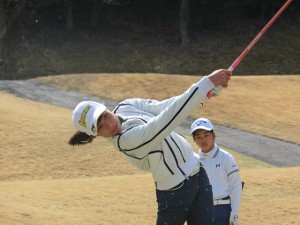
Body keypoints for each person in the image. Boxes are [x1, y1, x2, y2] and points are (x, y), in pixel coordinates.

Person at [69, 69, 231, 225]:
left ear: (105, 108)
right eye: (100, 126)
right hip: (174, 192)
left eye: (105, 116)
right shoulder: (125, 141)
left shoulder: (126, 105)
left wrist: (203, 94)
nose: (109, 125)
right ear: (95, 135)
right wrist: (206, 83)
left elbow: (163, 107)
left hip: (199, 174)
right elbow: (164, 122)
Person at [190, 118, 242, 225]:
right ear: (194, 140)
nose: (203, 140)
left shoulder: (226, 157)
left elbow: (236, 185)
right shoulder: (194, 161)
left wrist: (235, 212)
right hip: (202, 210)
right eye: (198, 137)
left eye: (206, 135)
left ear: (214, 135)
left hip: (223, 209)